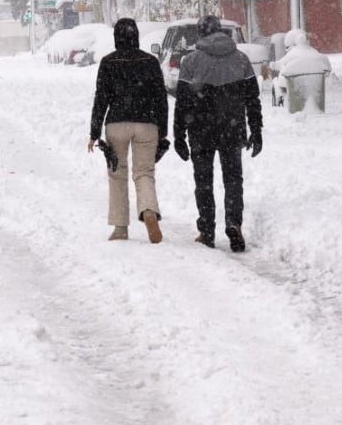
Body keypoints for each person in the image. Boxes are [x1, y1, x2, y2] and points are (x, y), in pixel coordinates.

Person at [172, 15, 263, 253]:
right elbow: (252, 99)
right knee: (233, 179)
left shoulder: (190, 61)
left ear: (200, 34)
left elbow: (182, 101)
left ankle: (207, 230)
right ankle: (234, 223)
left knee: (203, 181)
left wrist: (179, 134)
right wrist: (256, 130)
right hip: (232, 129)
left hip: (200, 130)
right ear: (221, 32)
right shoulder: (241, 60)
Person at [87, 18, 169, 244]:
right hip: (147, 123)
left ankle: (120, 227)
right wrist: (162, 130)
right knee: (144, 172)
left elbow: (101, 98)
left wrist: (94, 132)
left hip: (117, 123)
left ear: (116, 38)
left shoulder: (108, 62)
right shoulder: (150, 61)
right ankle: (149, 209)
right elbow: (161, 98)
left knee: (117, 174)